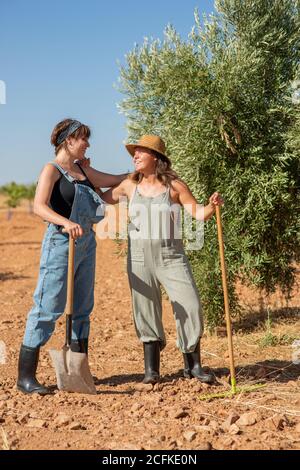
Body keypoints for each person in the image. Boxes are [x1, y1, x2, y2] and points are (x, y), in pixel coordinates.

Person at [99, 134, 223, 384]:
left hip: (171, 256)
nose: (134, 156)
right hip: (139, 259)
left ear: (155, 157)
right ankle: (151, 371)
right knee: (145, 309)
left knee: (190, 305)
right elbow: (98, 200)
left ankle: (193, 365)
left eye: (140, 152)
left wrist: (211, 206)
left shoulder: (175, 186)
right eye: (134, 152)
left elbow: (198, 213)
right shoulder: (128, 186)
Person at [17, 119, 128, 395]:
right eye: (83, 139)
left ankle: (78, 373)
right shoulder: (51, 170)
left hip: (87, 243)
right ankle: (25, 378)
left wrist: (139, 173)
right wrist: (65, 222)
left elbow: (113, 181)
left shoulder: (83, 170)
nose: (87, 144)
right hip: (60, 243)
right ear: (69, 141)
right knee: (48, 305)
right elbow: (39, 207)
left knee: (82, 306)